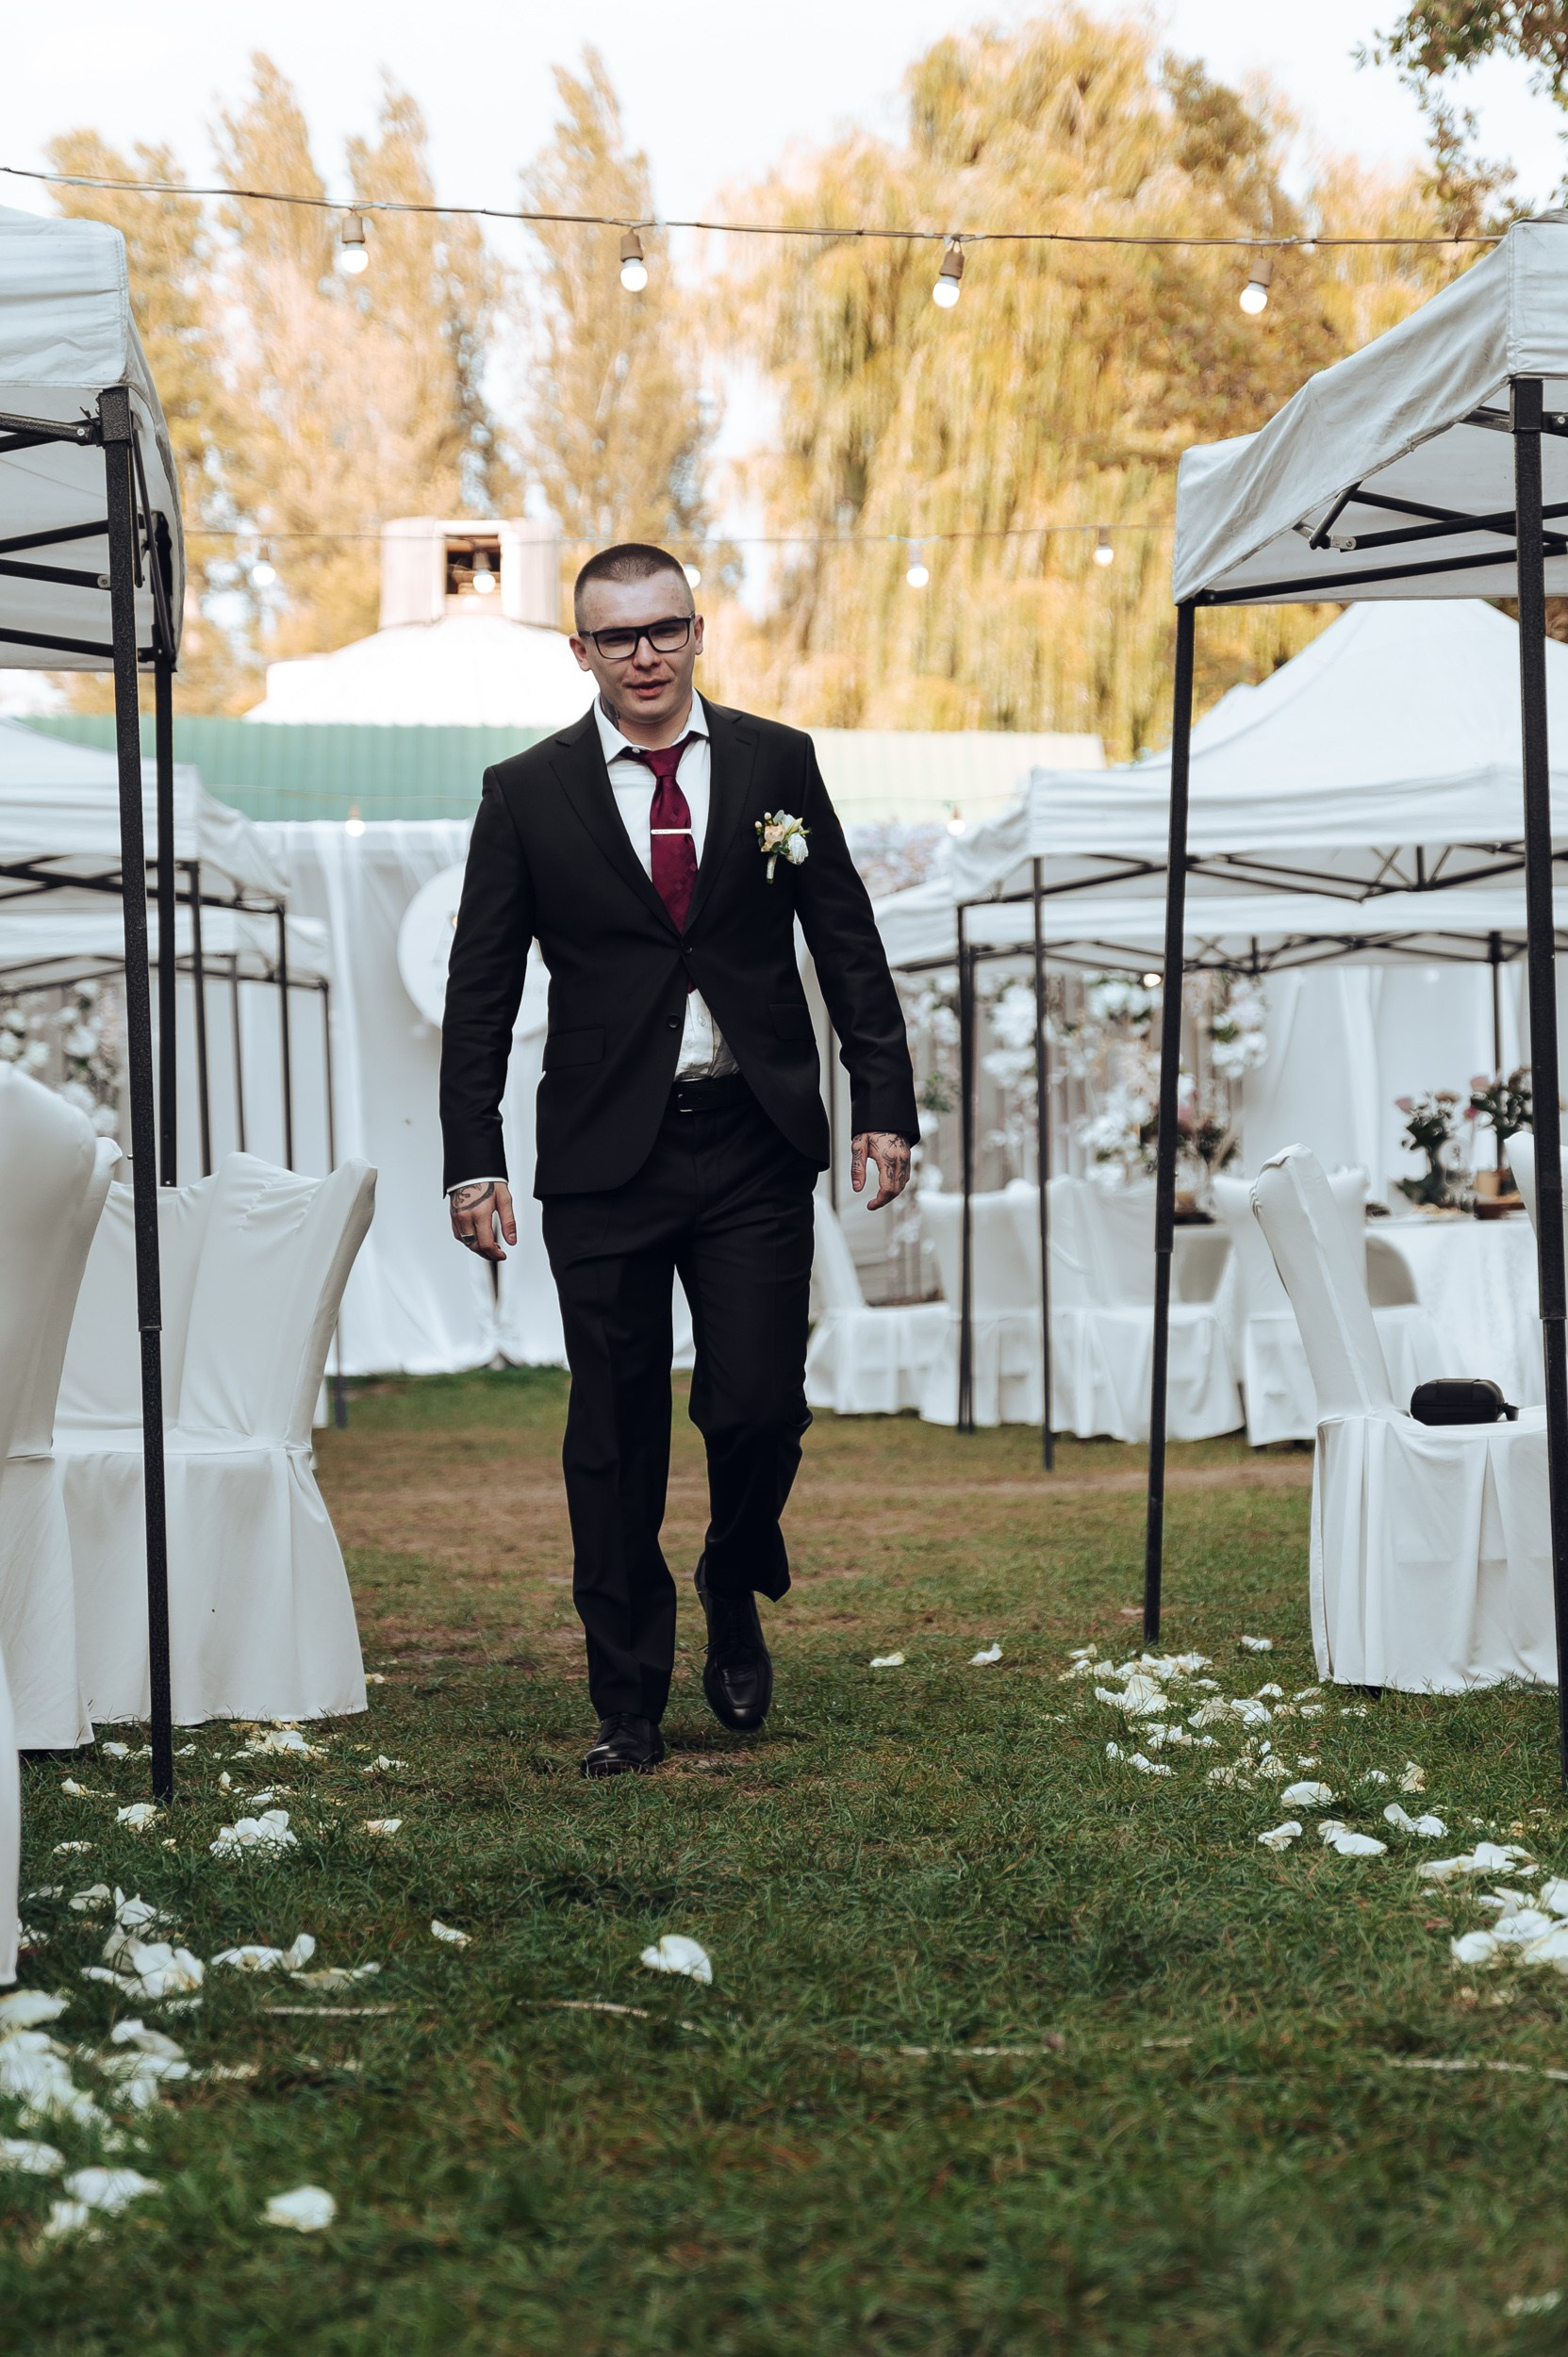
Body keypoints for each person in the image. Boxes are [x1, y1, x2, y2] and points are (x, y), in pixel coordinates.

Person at [440, 543, 917, 1777]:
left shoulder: (777, 765)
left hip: (754, 1139)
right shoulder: (525, 794)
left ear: (698, 633)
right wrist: (472, 1155)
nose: (644, 655)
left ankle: (732, 1570)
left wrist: (883, 1101)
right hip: (605, 1155)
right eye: (618, 636)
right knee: (614, 1432)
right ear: (581, 652)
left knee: (758, 1403)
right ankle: (629, 1701)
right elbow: (480, 991)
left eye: (665, 629)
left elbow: (845, 939)